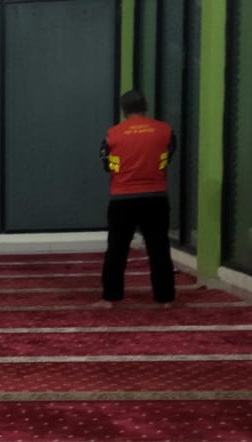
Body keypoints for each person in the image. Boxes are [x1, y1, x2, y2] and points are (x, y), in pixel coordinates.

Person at [98, 89, 177, 308]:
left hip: (122, 198)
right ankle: (165, 298)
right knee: (159, 248)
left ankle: (110, 297)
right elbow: (167, 156)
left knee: (117, 249)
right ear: (146, 107)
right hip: (156, 197)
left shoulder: (113, 134)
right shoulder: (165, 130)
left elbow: (106, 164)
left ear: (123, 110)